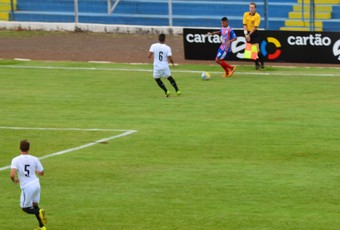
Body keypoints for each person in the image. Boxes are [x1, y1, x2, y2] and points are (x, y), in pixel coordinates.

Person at [10, 139, 47, 230]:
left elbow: (12, 174)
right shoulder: (34, 159)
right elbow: (42, 173)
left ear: (20, 148)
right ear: (29, 148)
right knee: (34, 205)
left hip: (27, 187)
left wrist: (14, 180)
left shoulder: (16, 160)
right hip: (36, 184)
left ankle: (39, 212)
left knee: (25, 208)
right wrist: (34, 170)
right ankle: (42, 226)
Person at [243, 2, 265, 70]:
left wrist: (249, 35)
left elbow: (255, 27)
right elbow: (244, 25)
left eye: (252, 8)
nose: (251, 9)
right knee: (251, 51)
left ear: (255, 8)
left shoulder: (257, 16)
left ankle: (262, 61)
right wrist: (246, 34)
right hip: (248, 33)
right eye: (250, 7)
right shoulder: (245, 14)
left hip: (254, 33)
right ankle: (256, 64)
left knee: (256, 50)